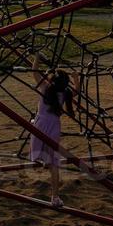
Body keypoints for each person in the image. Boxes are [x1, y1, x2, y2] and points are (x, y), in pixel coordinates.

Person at [31, 68, 75, 208]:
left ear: (52, 80)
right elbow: (77, 90)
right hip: (54, 127)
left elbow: (34, 71)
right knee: (54, 162)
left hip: (39, 125)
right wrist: (77, 78)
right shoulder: (66, 93)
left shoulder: (45, 87)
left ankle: (44, 160)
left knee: (41, 152)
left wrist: (37, 58)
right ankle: (55, 197)